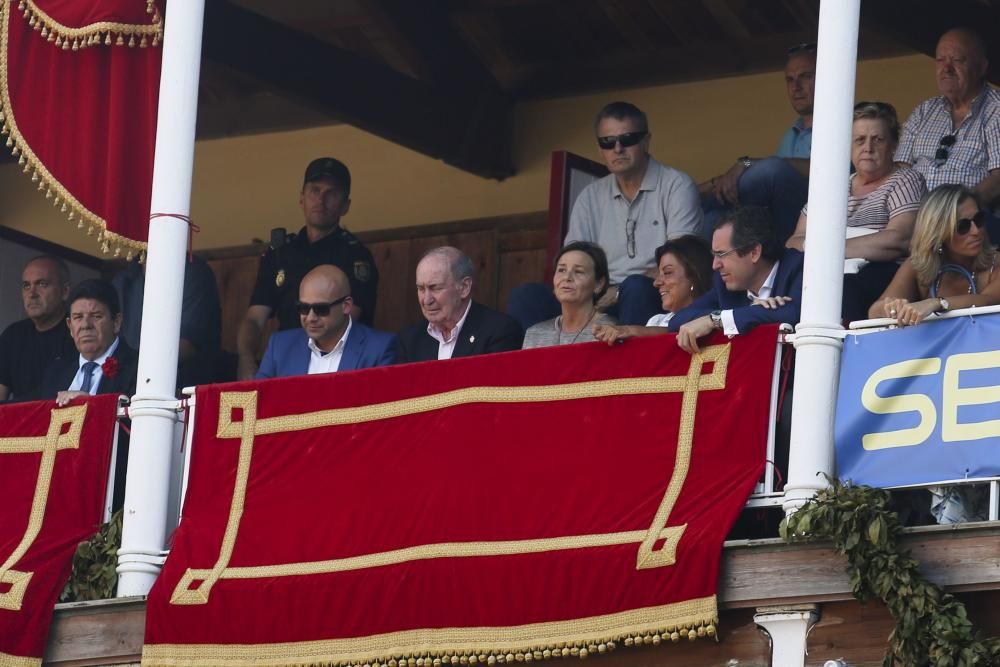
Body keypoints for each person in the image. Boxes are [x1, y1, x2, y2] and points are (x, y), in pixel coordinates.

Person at [508, 101, 705, 328]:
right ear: (600, 149)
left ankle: (632, 364)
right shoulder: (589, 196)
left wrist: (618, 291)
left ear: (646, 141)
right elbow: (575, 261)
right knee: (527, 296)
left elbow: (681, 264)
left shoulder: (676, 185)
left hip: (652, 294)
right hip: (597, 295)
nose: (618, 148)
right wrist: (592, 292)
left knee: (635, 287)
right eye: (608, 142)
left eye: (628, 139)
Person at [237, 157, 379, 379]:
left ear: (345, 205)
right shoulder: (280, 252)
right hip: (282, 364)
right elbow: (254, 318)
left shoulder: (355, 256)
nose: (321, 200)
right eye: (314, 190)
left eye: (331, 193)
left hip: (335, 367)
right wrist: (245, 361)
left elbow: (348, 321)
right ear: (301, 197)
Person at [787, 102, 927, 321]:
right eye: (860, 140)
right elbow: (794, 241)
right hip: (829, 271)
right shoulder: (833, 186)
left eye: (877, 140)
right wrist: (836, 251)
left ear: (893, 144)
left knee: (840, 290)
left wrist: (827, 250)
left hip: (880, 274)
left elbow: (898, 239)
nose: (868, 148)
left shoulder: (904, 179)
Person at [699, 43, 816, 242]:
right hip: (774, 214)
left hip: (812, 216)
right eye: (790, 79)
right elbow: (761, 173)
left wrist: (746, 163)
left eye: (805, 76)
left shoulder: (841, 125)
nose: (796, 87)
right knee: (709, 219)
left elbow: (815, 169)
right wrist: (732, 174)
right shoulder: (791, 133)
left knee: (771, 168)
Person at [894, 28, 1000, 242]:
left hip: (966, 222)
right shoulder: (924, 111)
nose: (946, 68)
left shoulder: (996, 110)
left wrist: (954, 208)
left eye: (958, 60)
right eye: (940, 60)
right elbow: (899, 169)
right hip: (913, 218)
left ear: (981, 67)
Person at [668, 206, 804, 353]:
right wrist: (746, 313)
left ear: (754, 252)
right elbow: (677, 320)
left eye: (721, 254)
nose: (715, 265)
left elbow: (793, 313)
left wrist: (715, 320)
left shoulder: (800, 268)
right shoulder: (724, 284)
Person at [869, 184, 999, 325]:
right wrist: (893, 308)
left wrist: (937, 303)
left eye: (979, 219)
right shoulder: (918, 265)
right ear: (938, 232)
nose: (976, 231)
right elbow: (875, 312)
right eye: (963, 226)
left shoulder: (996, 263)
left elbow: (989, 301)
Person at [257, 265, 395, 379]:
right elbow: (258, 402)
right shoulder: (279, 346)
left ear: (346, 306)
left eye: (321, 309)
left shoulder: (380, 349)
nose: (311, 317)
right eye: (303, 308)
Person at [395, 247, 523, 363]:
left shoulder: (499, 331)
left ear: (464, 287)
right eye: (421, 289)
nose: (427, 300)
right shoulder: (409, 340)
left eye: (435, 288)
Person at [113, 254, 222, 388]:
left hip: (181, 388)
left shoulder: (193, 271)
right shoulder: (125, 277)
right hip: (129, 383)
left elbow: (187, 344)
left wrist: (136, 371)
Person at [29, 279, 138, 405]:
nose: (86, 325)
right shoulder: (56, 372)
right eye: (78, 317)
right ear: (70, 326)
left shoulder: (138, 368)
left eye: (96, 316)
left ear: (116, 322)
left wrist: (92, 404)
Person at [592, 235, 713, 345]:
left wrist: (630, 330)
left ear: (694, 276)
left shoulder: (717, 318)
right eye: (659, 274)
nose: (657, 282)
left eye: (667, 272)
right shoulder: (656, 321)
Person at [0, 256, 76, 401]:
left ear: (65, 291)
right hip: (19, 420)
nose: (32, 294)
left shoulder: (78, 333)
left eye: (42, 284)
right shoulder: (12, 336)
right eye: (26, 286)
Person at [521, 242, 615, 349]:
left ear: (599, 284)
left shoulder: (611, 332)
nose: (567, 277)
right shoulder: (535, 334)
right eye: (561, 270)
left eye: (578, 271)